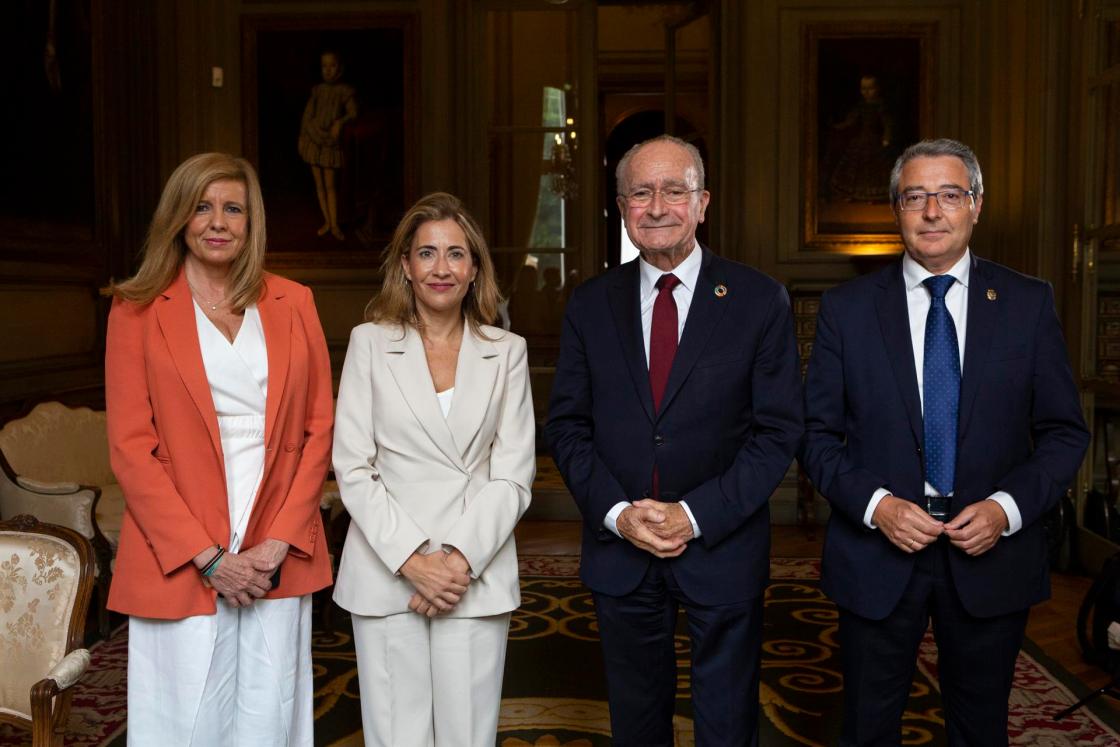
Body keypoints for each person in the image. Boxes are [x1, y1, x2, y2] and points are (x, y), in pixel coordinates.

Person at [799, 138, 1089, 745]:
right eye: (915, 197)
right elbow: (816, 437)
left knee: (980, 731)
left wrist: (1005, 510)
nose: (932, 211)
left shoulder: (1028, 304)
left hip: (990, 556)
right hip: (878, 555)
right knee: (866, 729)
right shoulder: (846, 310)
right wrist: (877, 506)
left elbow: (1063, 433)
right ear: (896, 210)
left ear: (975, 206)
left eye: (949, 195)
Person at [545, 135, 804, 746]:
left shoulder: (758, 299)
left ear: (703, 202)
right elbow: (566, 426)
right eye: (640, 191)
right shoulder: (589, 304)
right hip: (622, 548)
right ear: (621, 206)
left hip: (723, 546)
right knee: (636, 723)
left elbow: (778, 431)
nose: (657, 205)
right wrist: (615, 514)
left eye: (674, 190)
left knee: (726, 723)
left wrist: (695, 514)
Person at [103, 152, 334, 745]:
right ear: (178, 217)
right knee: (185, 713)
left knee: (268, 705)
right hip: (178, 538)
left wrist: (281, 537)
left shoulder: (293, 300)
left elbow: (318, 428)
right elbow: (131, 447)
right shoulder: (136, 309)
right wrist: (207, 556)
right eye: (202, 207)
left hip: (275, 533)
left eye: (233, 208)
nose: (217, 222)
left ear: (251, 221)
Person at [332, 192, 536, 746]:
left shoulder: (507, 351)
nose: (441, 268)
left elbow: (514, 475)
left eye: (455, 254)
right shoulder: (370, 344)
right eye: (426, 253)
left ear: (474, 269)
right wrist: (413, 560)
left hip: (474, 571)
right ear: (405, 266)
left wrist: (455, 561)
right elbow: (353, 466)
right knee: (396, 735)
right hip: (386, 570)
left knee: (468, 736)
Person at [298, 50, 357, 241]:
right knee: (319, 185)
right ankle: (327, 222)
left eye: (332, 66)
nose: (328, 70)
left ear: (339, 68)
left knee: (331, 186)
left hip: (330, 142)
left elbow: (353, 112)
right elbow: (307, 116)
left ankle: (335, 224)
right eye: (325, 66)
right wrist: (306, 133)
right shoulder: (317, 90)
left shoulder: (344, 91)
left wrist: (340, 122)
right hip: (314, 139)